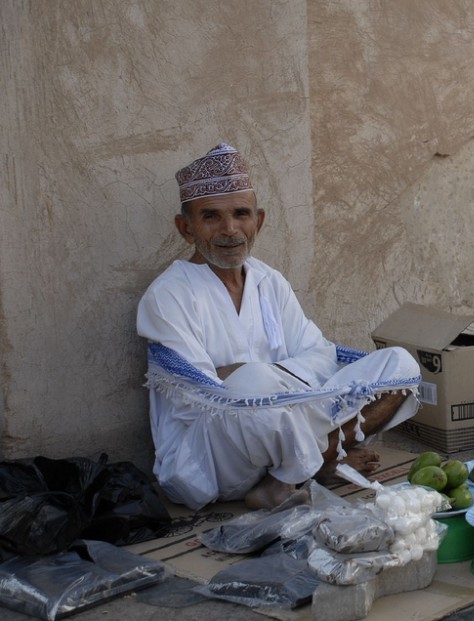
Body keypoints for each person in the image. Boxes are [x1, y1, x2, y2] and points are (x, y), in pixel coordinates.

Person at [137, 144, 422, 511]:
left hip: (289, 419)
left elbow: (321, 355)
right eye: (211, 217)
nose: (229, 230)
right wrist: (266, 384)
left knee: (400, 366)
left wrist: (275, 384)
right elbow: (197, 399)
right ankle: (314, 463)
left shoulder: (268, 281)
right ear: (185, 228)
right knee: (253, 385)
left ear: (260, 221)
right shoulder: (167, 296)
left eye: (241, 214)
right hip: (211, 459)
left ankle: (301, 467)